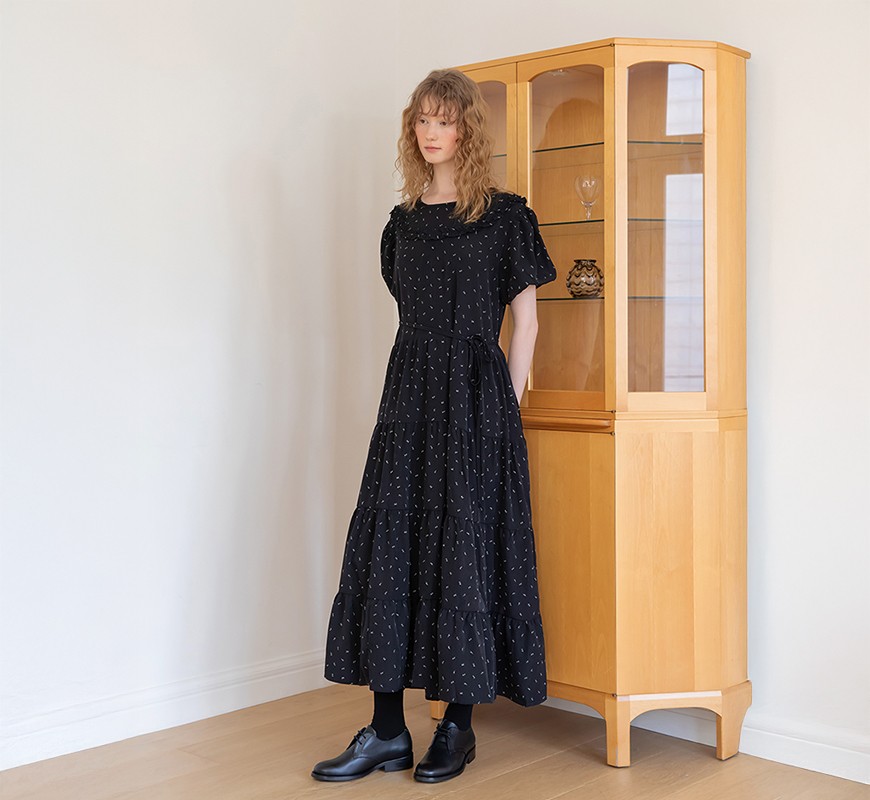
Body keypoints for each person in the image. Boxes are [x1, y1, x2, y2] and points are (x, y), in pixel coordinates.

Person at [311, 67, 557, 784]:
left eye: (444, 120)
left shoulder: (506, 216)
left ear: (467, 128)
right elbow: (410, 314)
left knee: (465, 549)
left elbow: (526, 320)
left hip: (479, 400)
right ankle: (387, 731)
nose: (431, 132)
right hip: (410, 398)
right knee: (391, 543)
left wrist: (509, 408)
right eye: (422, 119)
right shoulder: (402, 226)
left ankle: (457, 727)